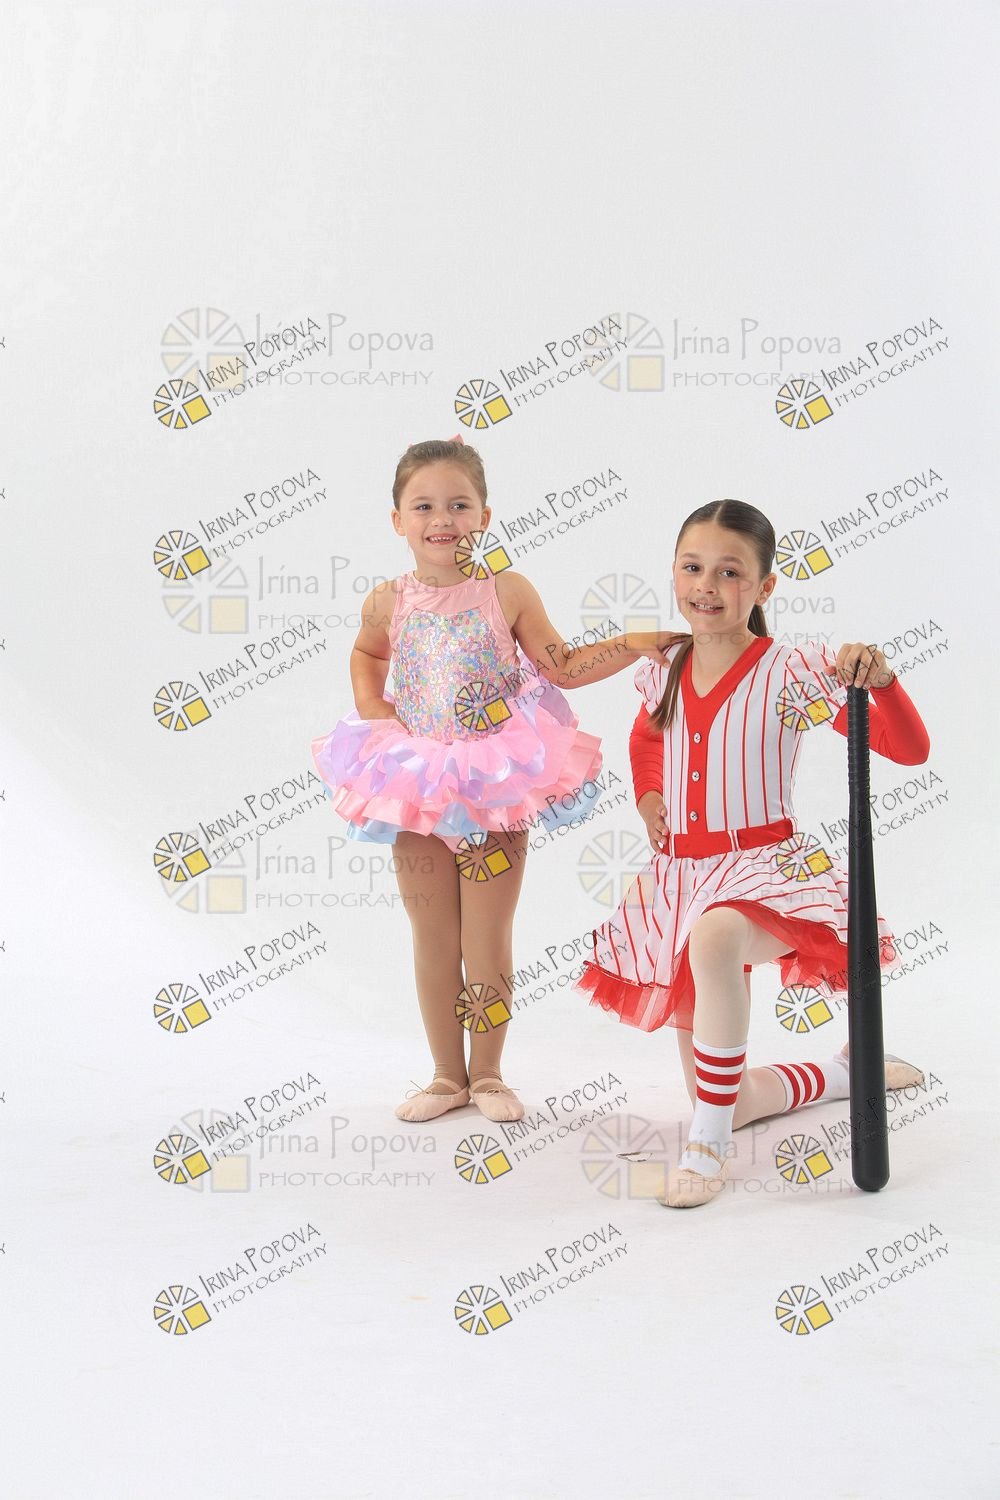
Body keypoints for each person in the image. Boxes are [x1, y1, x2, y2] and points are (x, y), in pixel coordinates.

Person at [311, 437, 682, 1125]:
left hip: (492, 785)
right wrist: (372, 708)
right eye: (424, 506)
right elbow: (367, 653)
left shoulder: (506, 591)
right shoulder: (387, 600)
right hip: (418, 786)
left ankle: (486, 1073)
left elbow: (561, 664)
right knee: (432, 937)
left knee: (485, 937)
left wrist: (633, 643)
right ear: (397, 520)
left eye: (459, 505)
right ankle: (444, 1076)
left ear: (484, 515)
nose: (442, 519)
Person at [573, 498, 931, 1208]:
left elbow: (908, 749)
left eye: (729, 572)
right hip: (682, 876)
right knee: (727, 1098)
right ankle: (843, 1074)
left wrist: (883, 682)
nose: (706, 586)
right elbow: (648, 736)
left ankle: (707, 1151)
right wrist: (649, 796)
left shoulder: (790, 670)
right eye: (692, 568)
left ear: (764, 587)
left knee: (716, 937)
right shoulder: (666, 665)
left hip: (766, 869)